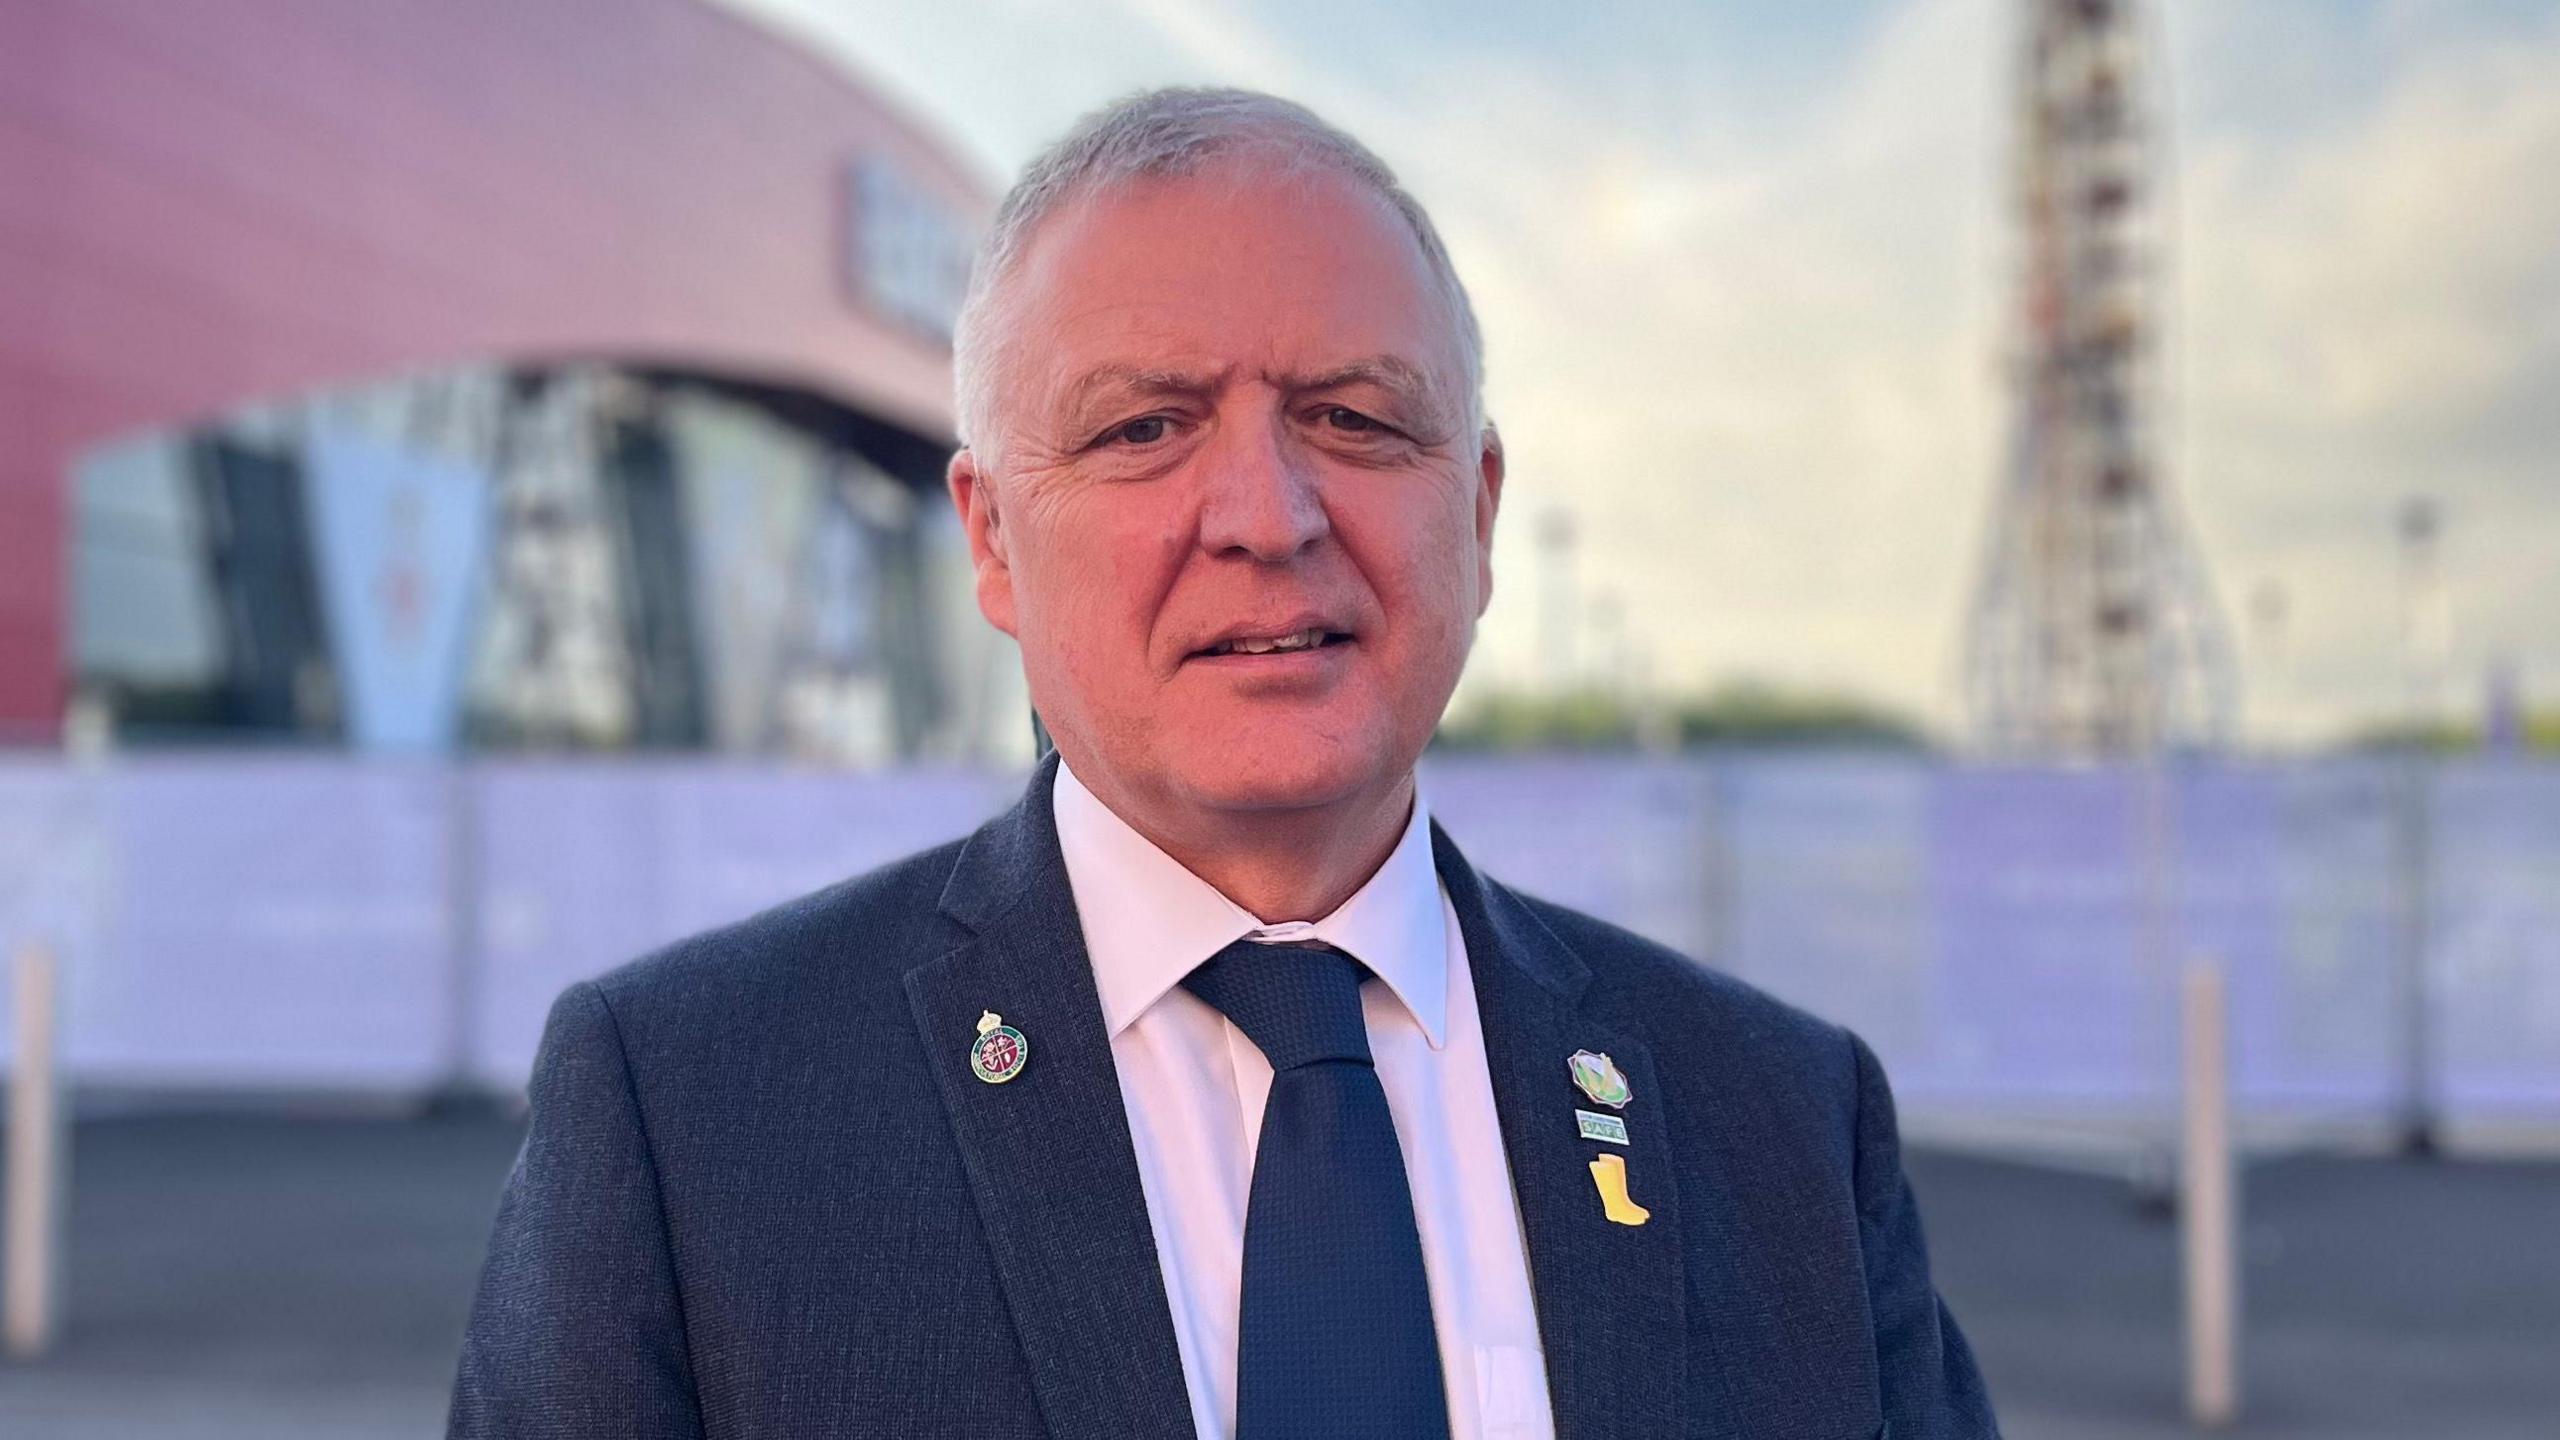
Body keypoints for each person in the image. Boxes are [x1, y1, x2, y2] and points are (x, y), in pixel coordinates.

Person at [449, 87, 1997, 1440]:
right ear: (991, 539)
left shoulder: (1783, 1122)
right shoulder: (693, 1116)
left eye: (1354, 419)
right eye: (1144, 429)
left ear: (1479, 511)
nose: (1266, 513)